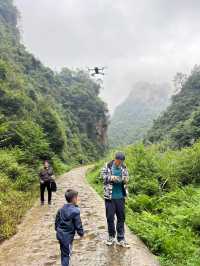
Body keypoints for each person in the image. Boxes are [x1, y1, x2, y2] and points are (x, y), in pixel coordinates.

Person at [102, 152, 130, 247]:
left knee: (121, 218)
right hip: (110, 197)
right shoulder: (108, 166)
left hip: (120, 197)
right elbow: (103, 177)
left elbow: (127, 178)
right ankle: (111, 237)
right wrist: (111, 178)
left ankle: (121, 238)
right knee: (110, 217)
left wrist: (125, 179)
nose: (119, 163)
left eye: (121, 162)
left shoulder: (124, 167)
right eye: (118, 161)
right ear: (115, 159)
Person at [55, 189, 84, 266]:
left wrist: (57, 229)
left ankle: (64, 263)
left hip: (60, 235)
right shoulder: (75, 211)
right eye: (77, 198)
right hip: (68, 237)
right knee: (66, 255)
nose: (77, 199)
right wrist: (81, 233)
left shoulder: (61, 209)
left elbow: (57, 221)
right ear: (74, 199)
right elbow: (78, 224)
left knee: (63, 252)